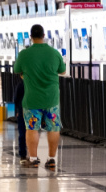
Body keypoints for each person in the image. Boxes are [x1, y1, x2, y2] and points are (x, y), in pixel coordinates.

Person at [13, 24, 66, 170]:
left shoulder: (25, 54)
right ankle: (51, 159)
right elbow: (62, 70)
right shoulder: (54, 53)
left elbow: (17, 69)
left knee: (32, 128)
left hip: (32, 99)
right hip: (52, 99)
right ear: (43, 36)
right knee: (53, 128)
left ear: (31, 37)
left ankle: (34, 159)